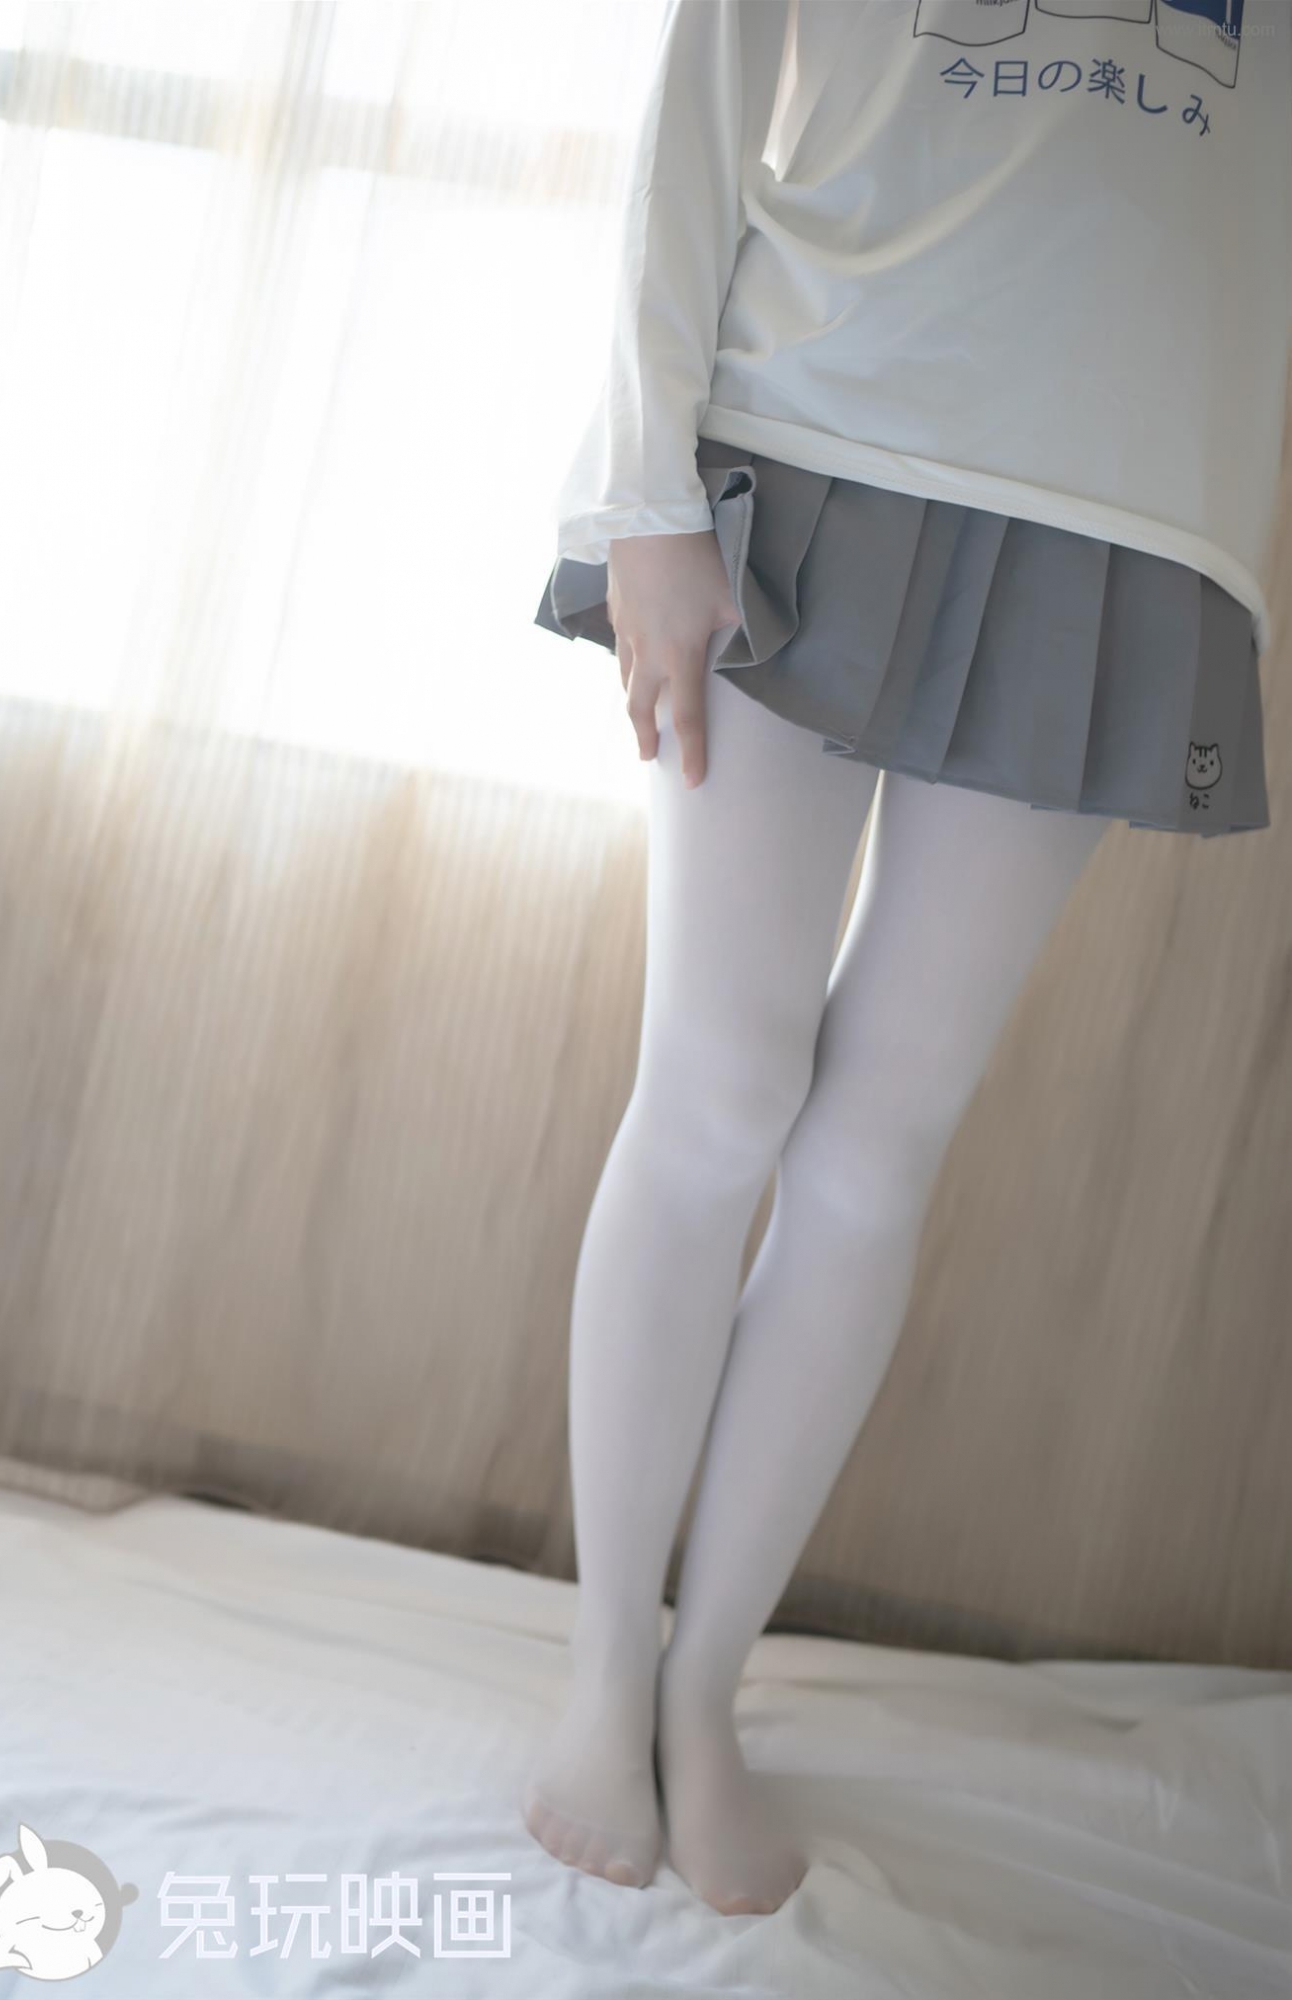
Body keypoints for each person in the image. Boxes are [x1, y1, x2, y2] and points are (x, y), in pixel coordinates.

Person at [526, 0, 1290, 1918]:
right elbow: (698, 102)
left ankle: (702, 1686)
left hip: (1125, 517)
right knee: (718, 1091)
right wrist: (644, 496)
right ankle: (607, 1669)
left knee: (879, 1148)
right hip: (815, 429)